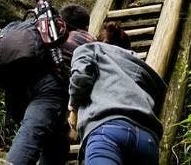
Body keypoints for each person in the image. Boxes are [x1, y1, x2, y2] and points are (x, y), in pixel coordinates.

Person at [5, 4, 95, 165]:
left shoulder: (46, 31)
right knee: (33, 133)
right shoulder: (86, 39)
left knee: (56, 143)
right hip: (50, 87)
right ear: (86, 26)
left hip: (18, 85)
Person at [67, 22, 167, 165]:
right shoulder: (140, 65)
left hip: (107, 129)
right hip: (147, 138)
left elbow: (81, 76)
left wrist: (74, 108)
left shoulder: (90, 48)